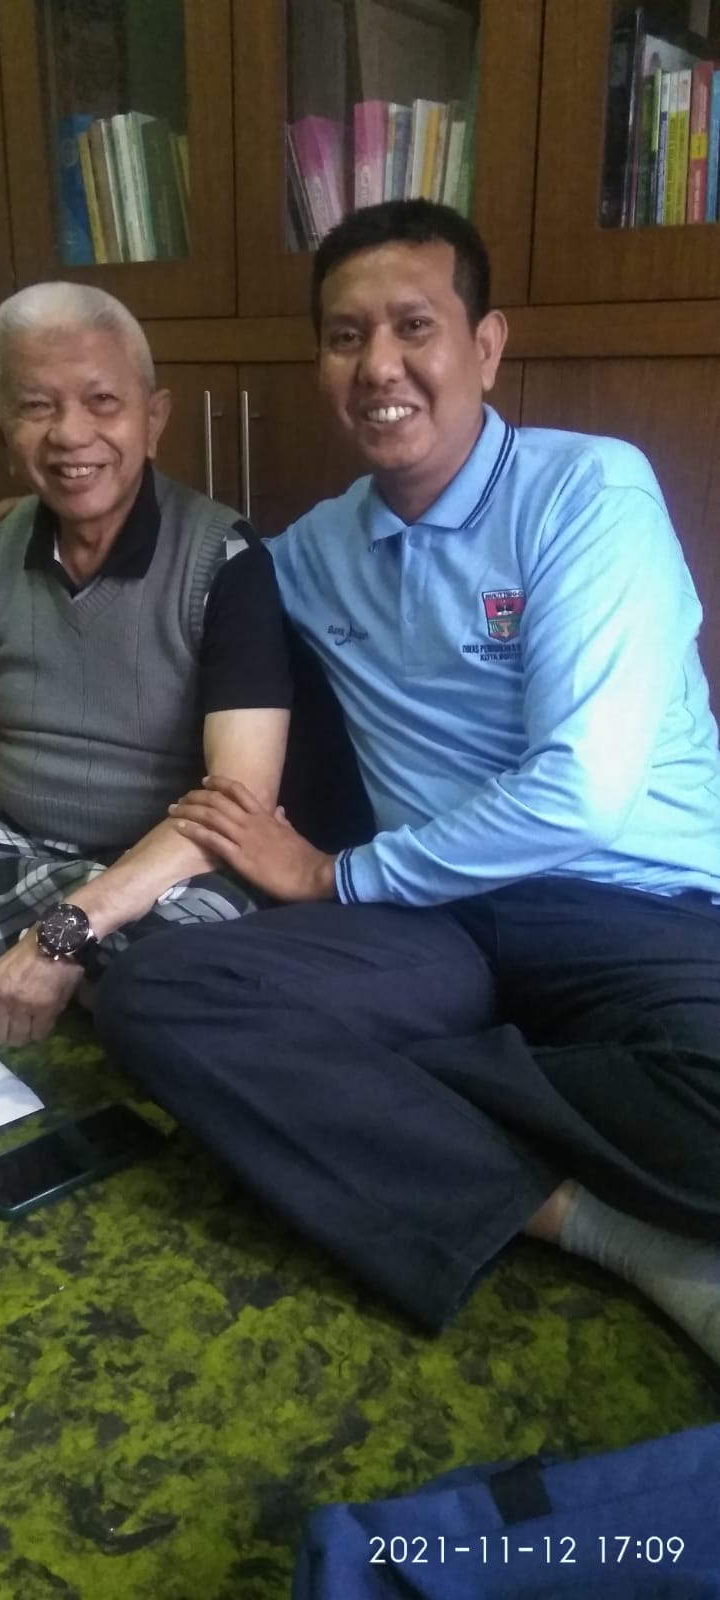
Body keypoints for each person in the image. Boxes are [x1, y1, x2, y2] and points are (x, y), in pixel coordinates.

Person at [91, 200, 720, 1364]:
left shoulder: (590, 494)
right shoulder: (311, 551)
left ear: (486, 345)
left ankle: (374, 1092)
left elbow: (580, 792)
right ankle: (605, 1230)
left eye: (414, 326)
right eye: (345, 336)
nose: (378, 365)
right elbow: (179, 566)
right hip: (435, 926)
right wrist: (43, 518)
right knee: (154, 997)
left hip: (634, 907)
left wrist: (335, 875)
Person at [0, 282, 291, 1045]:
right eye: (37, 407)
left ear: (153, 419)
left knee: (186, 956)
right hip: (13, 847)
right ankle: (66, 991)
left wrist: (60, 934)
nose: (71, 434)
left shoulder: (226, 560)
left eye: (102, 401)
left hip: (162, 869)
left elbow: (235, 807)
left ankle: (45, 970)